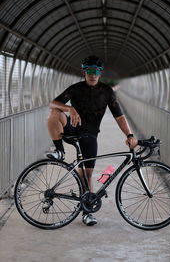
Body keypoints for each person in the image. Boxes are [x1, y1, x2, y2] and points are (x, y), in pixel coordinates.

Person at [46, 56, 138, 226]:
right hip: (73, 129)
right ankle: (59, 151)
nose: (93, 74)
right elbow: (53, 103)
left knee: (86, 175)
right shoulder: (75, 88)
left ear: (100, 73)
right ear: (84, 71)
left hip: (90, 135)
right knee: (54, 114)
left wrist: (130, 135)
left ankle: (87, 212)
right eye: (89, 71)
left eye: (96, 71)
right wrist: (70, 108)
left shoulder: (107, 91)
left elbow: (119, 116)